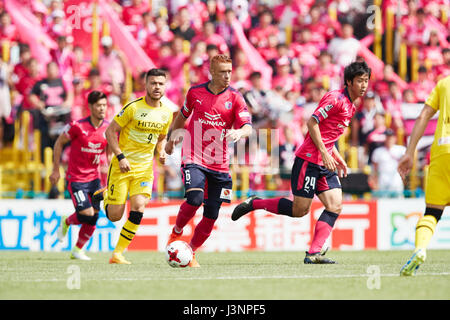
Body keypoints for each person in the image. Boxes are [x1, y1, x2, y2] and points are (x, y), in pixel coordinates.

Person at [232, 61, 372, 264]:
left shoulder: (351, 105)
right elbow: (312, 123)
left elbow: (328, 134)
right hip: (308, 160)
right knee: (300, 210)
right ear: (349, 82)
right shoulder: (336, 99)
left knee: (335, 205)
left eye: (366, 81)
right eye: (360, 81)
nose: (364, 85)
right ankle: (255, 203)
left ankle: (313, 253)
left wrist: (336, 156)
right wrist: (324, 153)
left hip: (325, 162)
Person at [165, 54, 252, 267]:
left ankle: (191, 252)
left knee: (212, 213)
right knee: (194, 199)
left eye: (230, 71)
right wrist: (171, 138)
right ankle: (176, 233)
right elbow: (182, 116)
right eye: (223, 72)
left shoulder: (236, 97)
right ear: (211, 72)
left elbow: (247, 126)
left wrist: (239, 134)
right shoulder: (195, 93)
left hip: (220, 163)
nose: (227, 76)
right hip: (193, 156)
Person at [101, 68, 173, 265]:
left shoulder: (167, 113)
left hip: (144, 170)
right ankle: (105, 195)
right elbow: (110, 132)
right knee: (115, 216)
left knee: (139, 206)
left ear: (165, 86)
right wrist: (120, 156)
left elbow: (161, 137)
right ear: (146, 85)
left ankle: (118, 253)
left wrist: (162, 152)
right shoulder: (133, 108)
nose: (157, 87)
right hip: (122, 166)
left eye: (160, 83)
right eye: (153, 83)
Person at [398, 75, 450, 276]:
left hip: (442, 151)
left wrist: (410, 152)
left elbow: (423, 116)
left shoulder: (444, 83)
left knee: (432, 213)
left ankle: (420, 250)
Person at [52, 91, 110, 260]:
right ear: (90, 107)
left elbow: (110, 152)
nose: (102, 108)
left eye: (104, 105)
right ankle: (66, 221)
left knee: (94, 218)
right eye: (98, 105)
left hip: (95, 180)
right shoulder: (77, 126)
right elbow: (58, 143)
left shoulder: (108, 128)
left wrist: (109, 168)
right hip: (76, 179)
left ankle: (77, 250)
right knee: (86, 214)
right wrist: (56, 170)